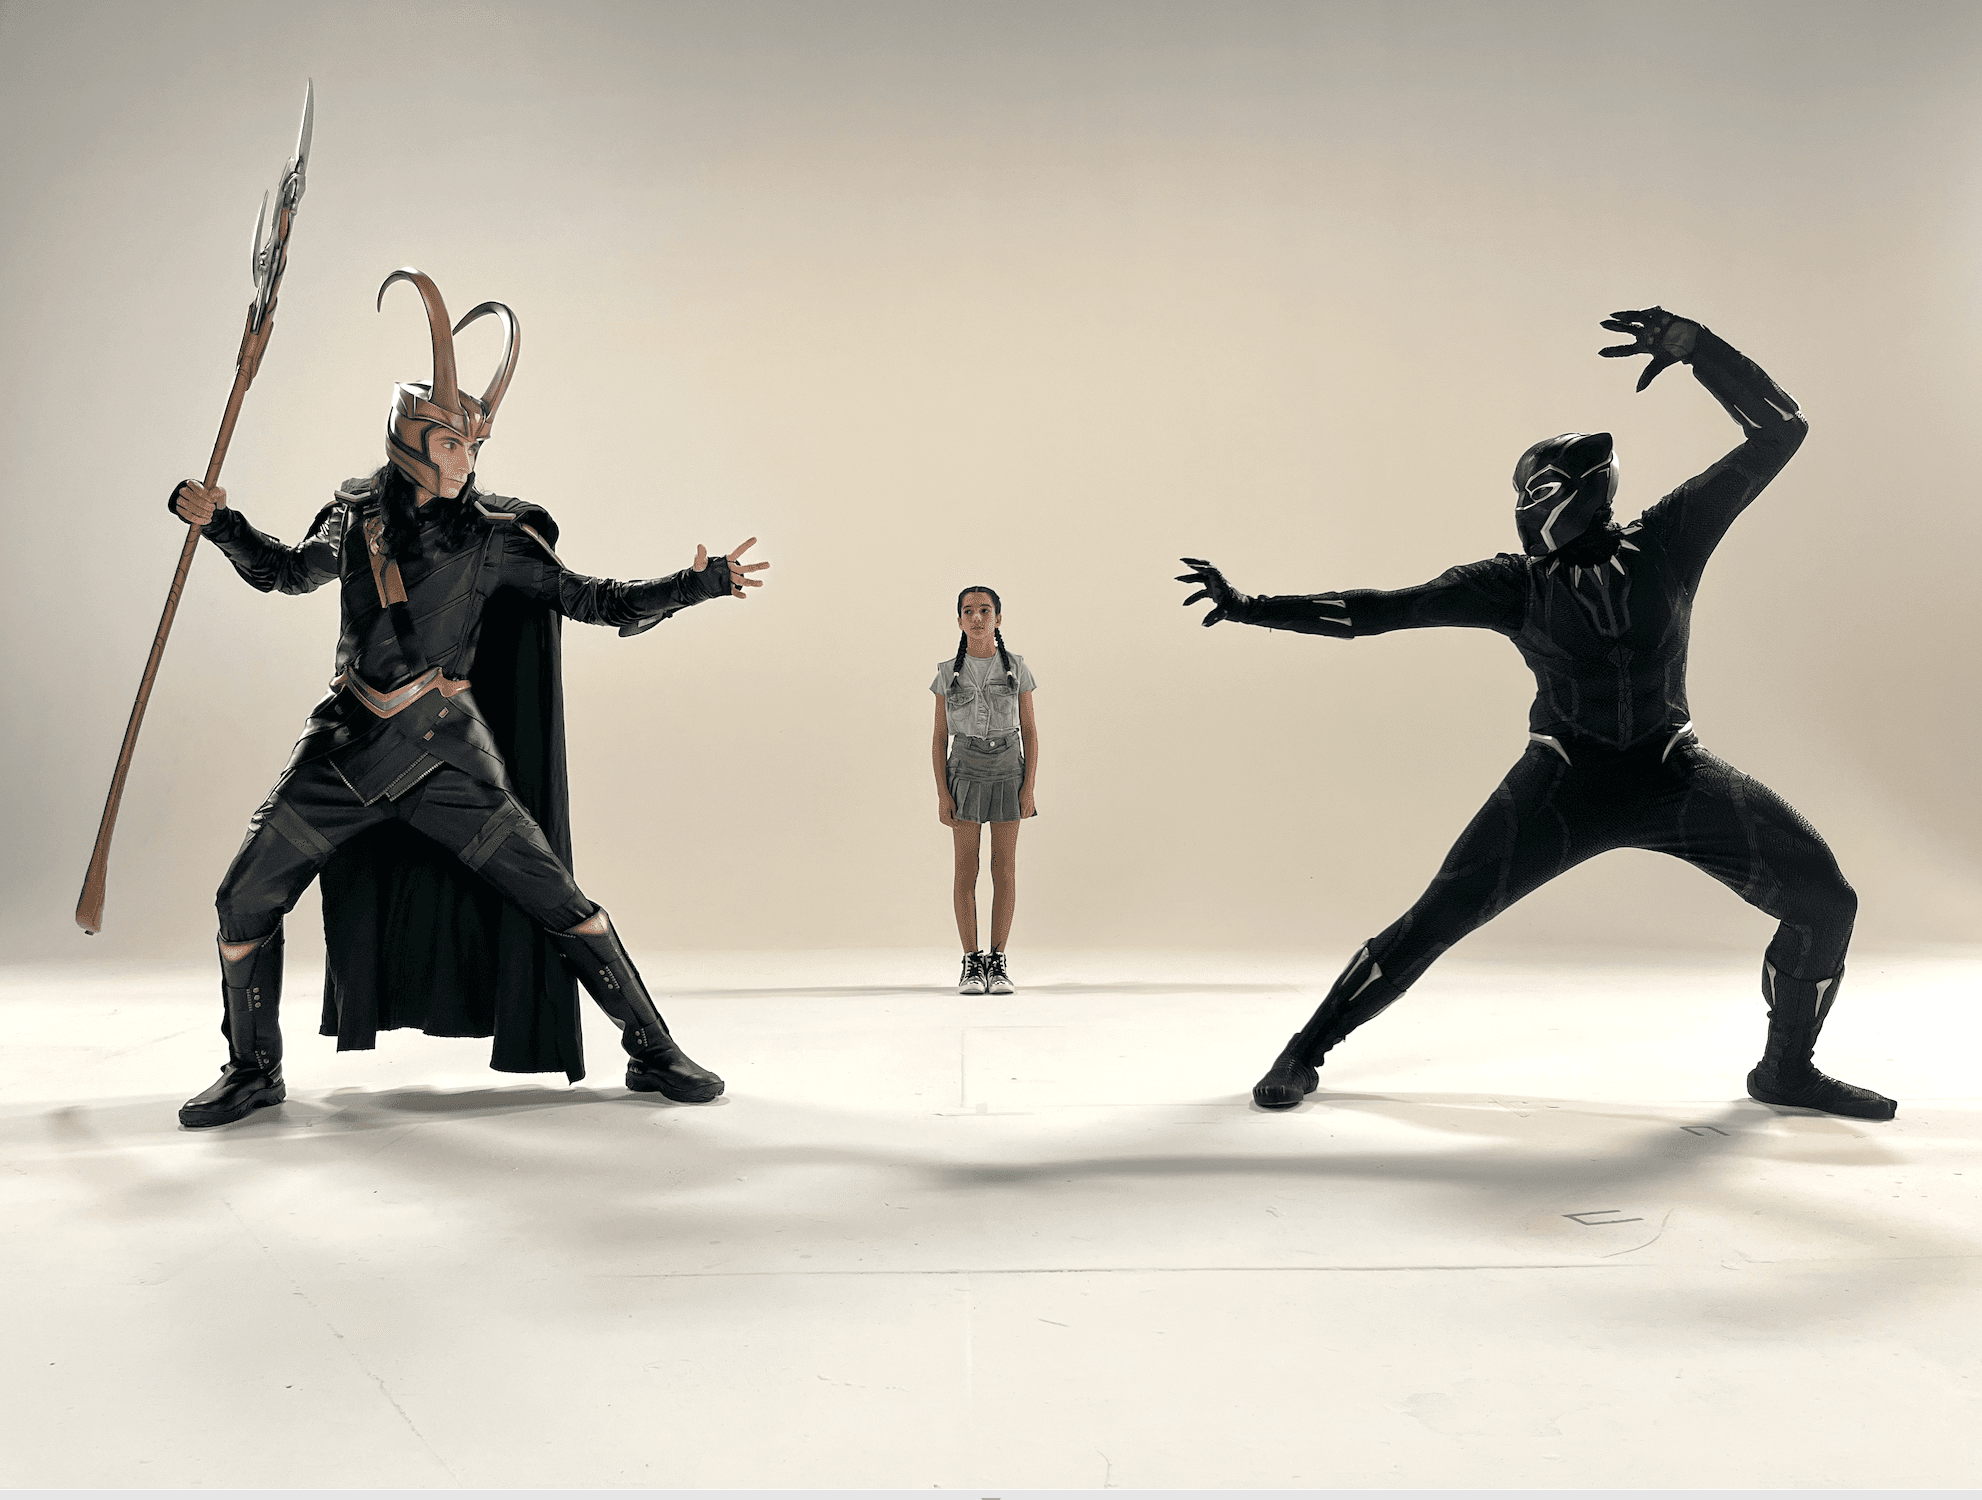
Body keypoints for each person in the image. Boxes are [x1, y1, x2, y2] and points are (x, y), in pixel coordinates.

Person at [1177, 306, 1895, 1121]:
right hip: (1563, 782)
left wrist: (1700, 350)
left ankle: (1786, 1071)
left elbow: (1780, 431)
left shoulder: (1668, 540)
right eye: (1526, 493)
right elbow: (1379, 610)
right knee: (1435, 919)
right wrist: (1250, 607)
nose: (1528, 506)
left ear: (1586, 491)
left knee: (1826, 901)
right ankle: (1302, 1052)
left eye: (1542, 491)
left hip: (1671, 772)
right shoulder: (1511, 584)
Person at [170, 267, 767, 1128]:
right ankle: (252, 1067)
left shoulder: (496, 537)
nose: (466, 460)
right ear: (410, 437)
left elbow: (591, 598)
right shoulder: (354, 518)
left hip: (447, 753)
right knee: (243, 899)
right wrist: (221, 524)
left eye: (473, 448)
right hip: (343, 749)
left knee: (558, 899)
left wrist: (695, 584)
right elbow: (286, 573)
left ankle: (652, 1048)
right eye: (451, 444)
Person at [931, 587, 1039, 994]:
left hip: (1008, 769)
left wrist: (1029, 787)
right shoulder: (947, 673)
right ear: (959, 620)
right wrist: (943, 794)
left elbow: (1030, 731)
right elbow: (939, 737)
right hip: (964, 769)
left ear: (998, 618)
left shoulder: (1017, 668)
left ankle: (998, 959)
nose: (977, 618)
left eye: (985, 610)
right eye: (968, 611)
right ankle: (971, 961)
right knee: (966, 869)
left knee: (1003, 868)